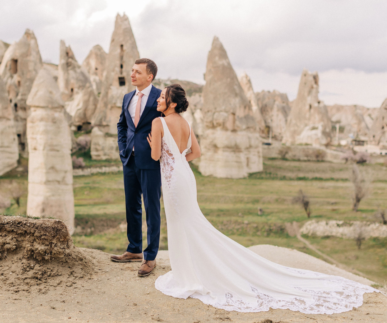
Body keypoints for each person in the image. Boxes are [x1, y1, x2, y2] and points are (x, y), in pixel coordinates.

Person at [147, 84, 380, 314]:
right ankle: (193, 269)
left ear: (173, 103)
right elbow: (196, 153)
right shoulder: (185, 123)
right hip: (184, 178)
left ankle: (187, 274)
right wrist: (177, 162)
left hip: (171, 180)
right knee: (192, 222)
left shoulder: (158, 123)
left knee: (181, 224)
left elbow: (156, 155)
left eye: (162, 97)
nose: (158, 99)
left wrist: (154, 148)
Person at [112, 58, 162, 277]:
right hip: (129, 159)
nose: (132, 75)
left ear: (149, 76)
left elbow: (168, 123)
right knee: (131, 205)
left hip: (151, 160)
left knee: (152, 208)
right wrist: (123, 148)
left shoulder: (160, 96)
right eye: (132, 71)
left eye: (137, 72)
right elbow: (122, 125)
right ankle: (133, 249)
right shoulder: (127, 97)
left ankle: (149, 257)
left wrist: (159, 150)